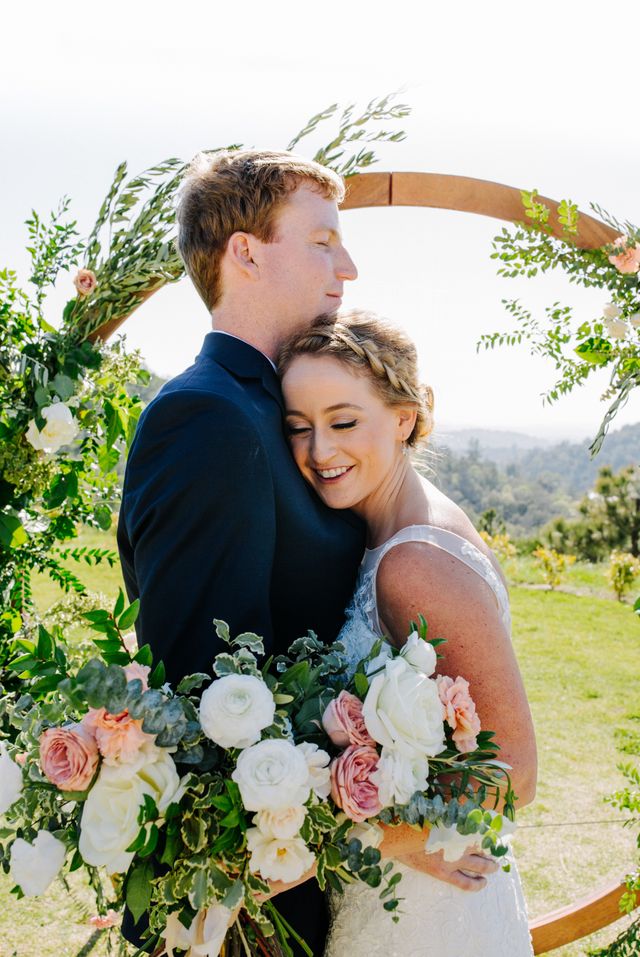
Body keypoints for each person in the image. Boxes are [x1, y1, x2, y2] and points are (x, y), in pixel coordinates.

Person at [117, 148, 366, 954]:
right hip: (240, 904)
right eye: (324, 240)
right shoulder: (206, 418)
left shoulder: (276, 411)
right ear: (247, 253)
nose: (348, 266)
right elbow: (200, 693)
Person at [278, 309, 538, 957]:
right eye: (298, 428)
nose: (319, 450)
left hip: (429, 915)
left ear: (403, 417)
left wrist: (357, 838)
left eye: (343, 422)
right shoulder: (389, 530)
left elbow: (515, 775)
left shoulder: (412, 560)